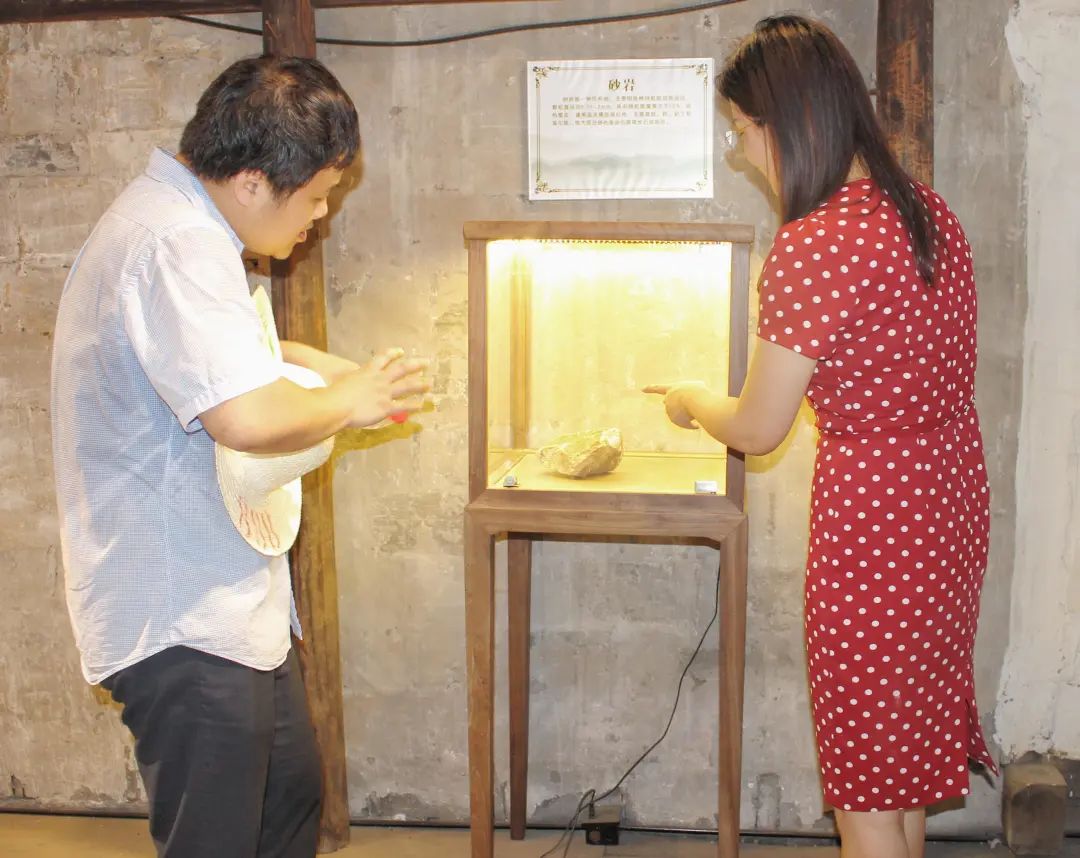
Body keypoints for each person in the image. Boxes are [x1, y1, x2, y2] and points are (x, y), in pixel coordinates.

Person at [50, 55, 428, 858]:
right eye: (318, 196)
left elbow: (230, 351)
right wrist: (350, 403)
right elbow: (246, 416)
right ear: (254, 182)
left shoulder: (186, 222)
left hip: (222, 605)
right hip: (182, 612)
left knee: (288, 800)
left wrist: (334, 374)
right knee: (223, 837)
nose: (320, 216)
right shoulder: (178, 240)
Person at [645, 15, 995, 858]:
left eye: (741, 130)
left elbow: (759, 426)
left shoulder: (818, 244)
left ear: (787, 122)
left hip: (876, 523)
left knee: (867, 782)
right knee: (900, 758)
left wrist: (693, 400)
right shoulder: (927, 213)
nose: (742, 153)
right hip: (948, 501)